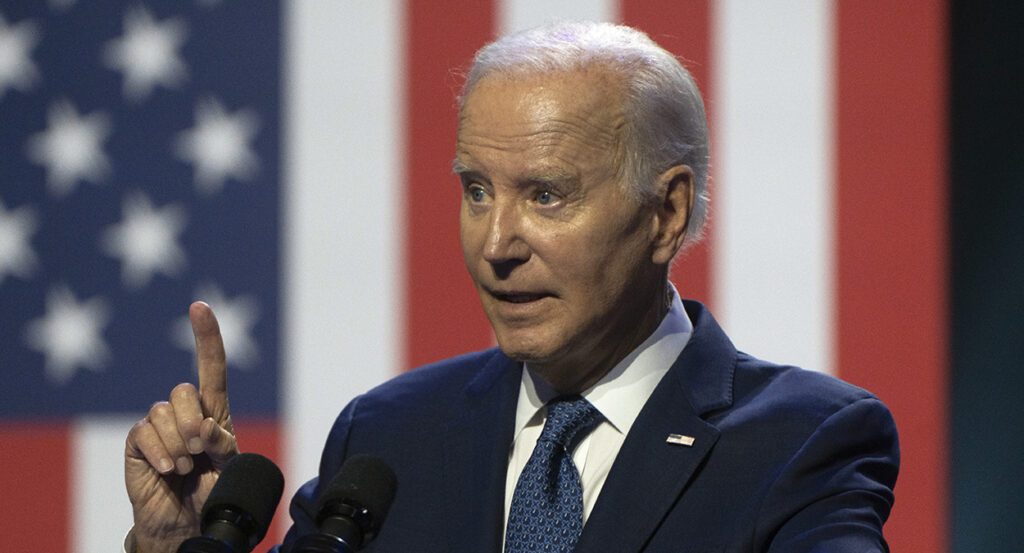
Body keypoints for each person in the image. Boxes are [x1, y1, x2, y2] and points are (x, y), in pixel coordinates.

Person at [124, 21, 898, 553]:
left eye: (546, 195)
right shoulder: (389, 436)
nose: (495, 245)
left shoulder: (800, 443)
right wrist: (172, 542)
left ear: (666, 213)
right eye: (476, 190)